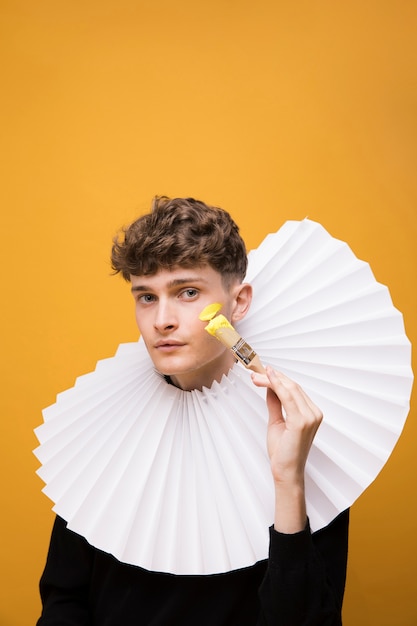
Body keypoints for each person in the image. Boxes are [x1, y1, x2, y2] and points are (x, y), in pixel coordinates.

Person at [36, 196, 349, 625]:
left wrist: (288, 482)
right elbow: (63, 599)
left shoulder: (301, 432)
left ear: (238, 303)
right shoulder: (100, 425)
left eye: (187, 292)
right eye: (146, 297)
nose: (162, 320)